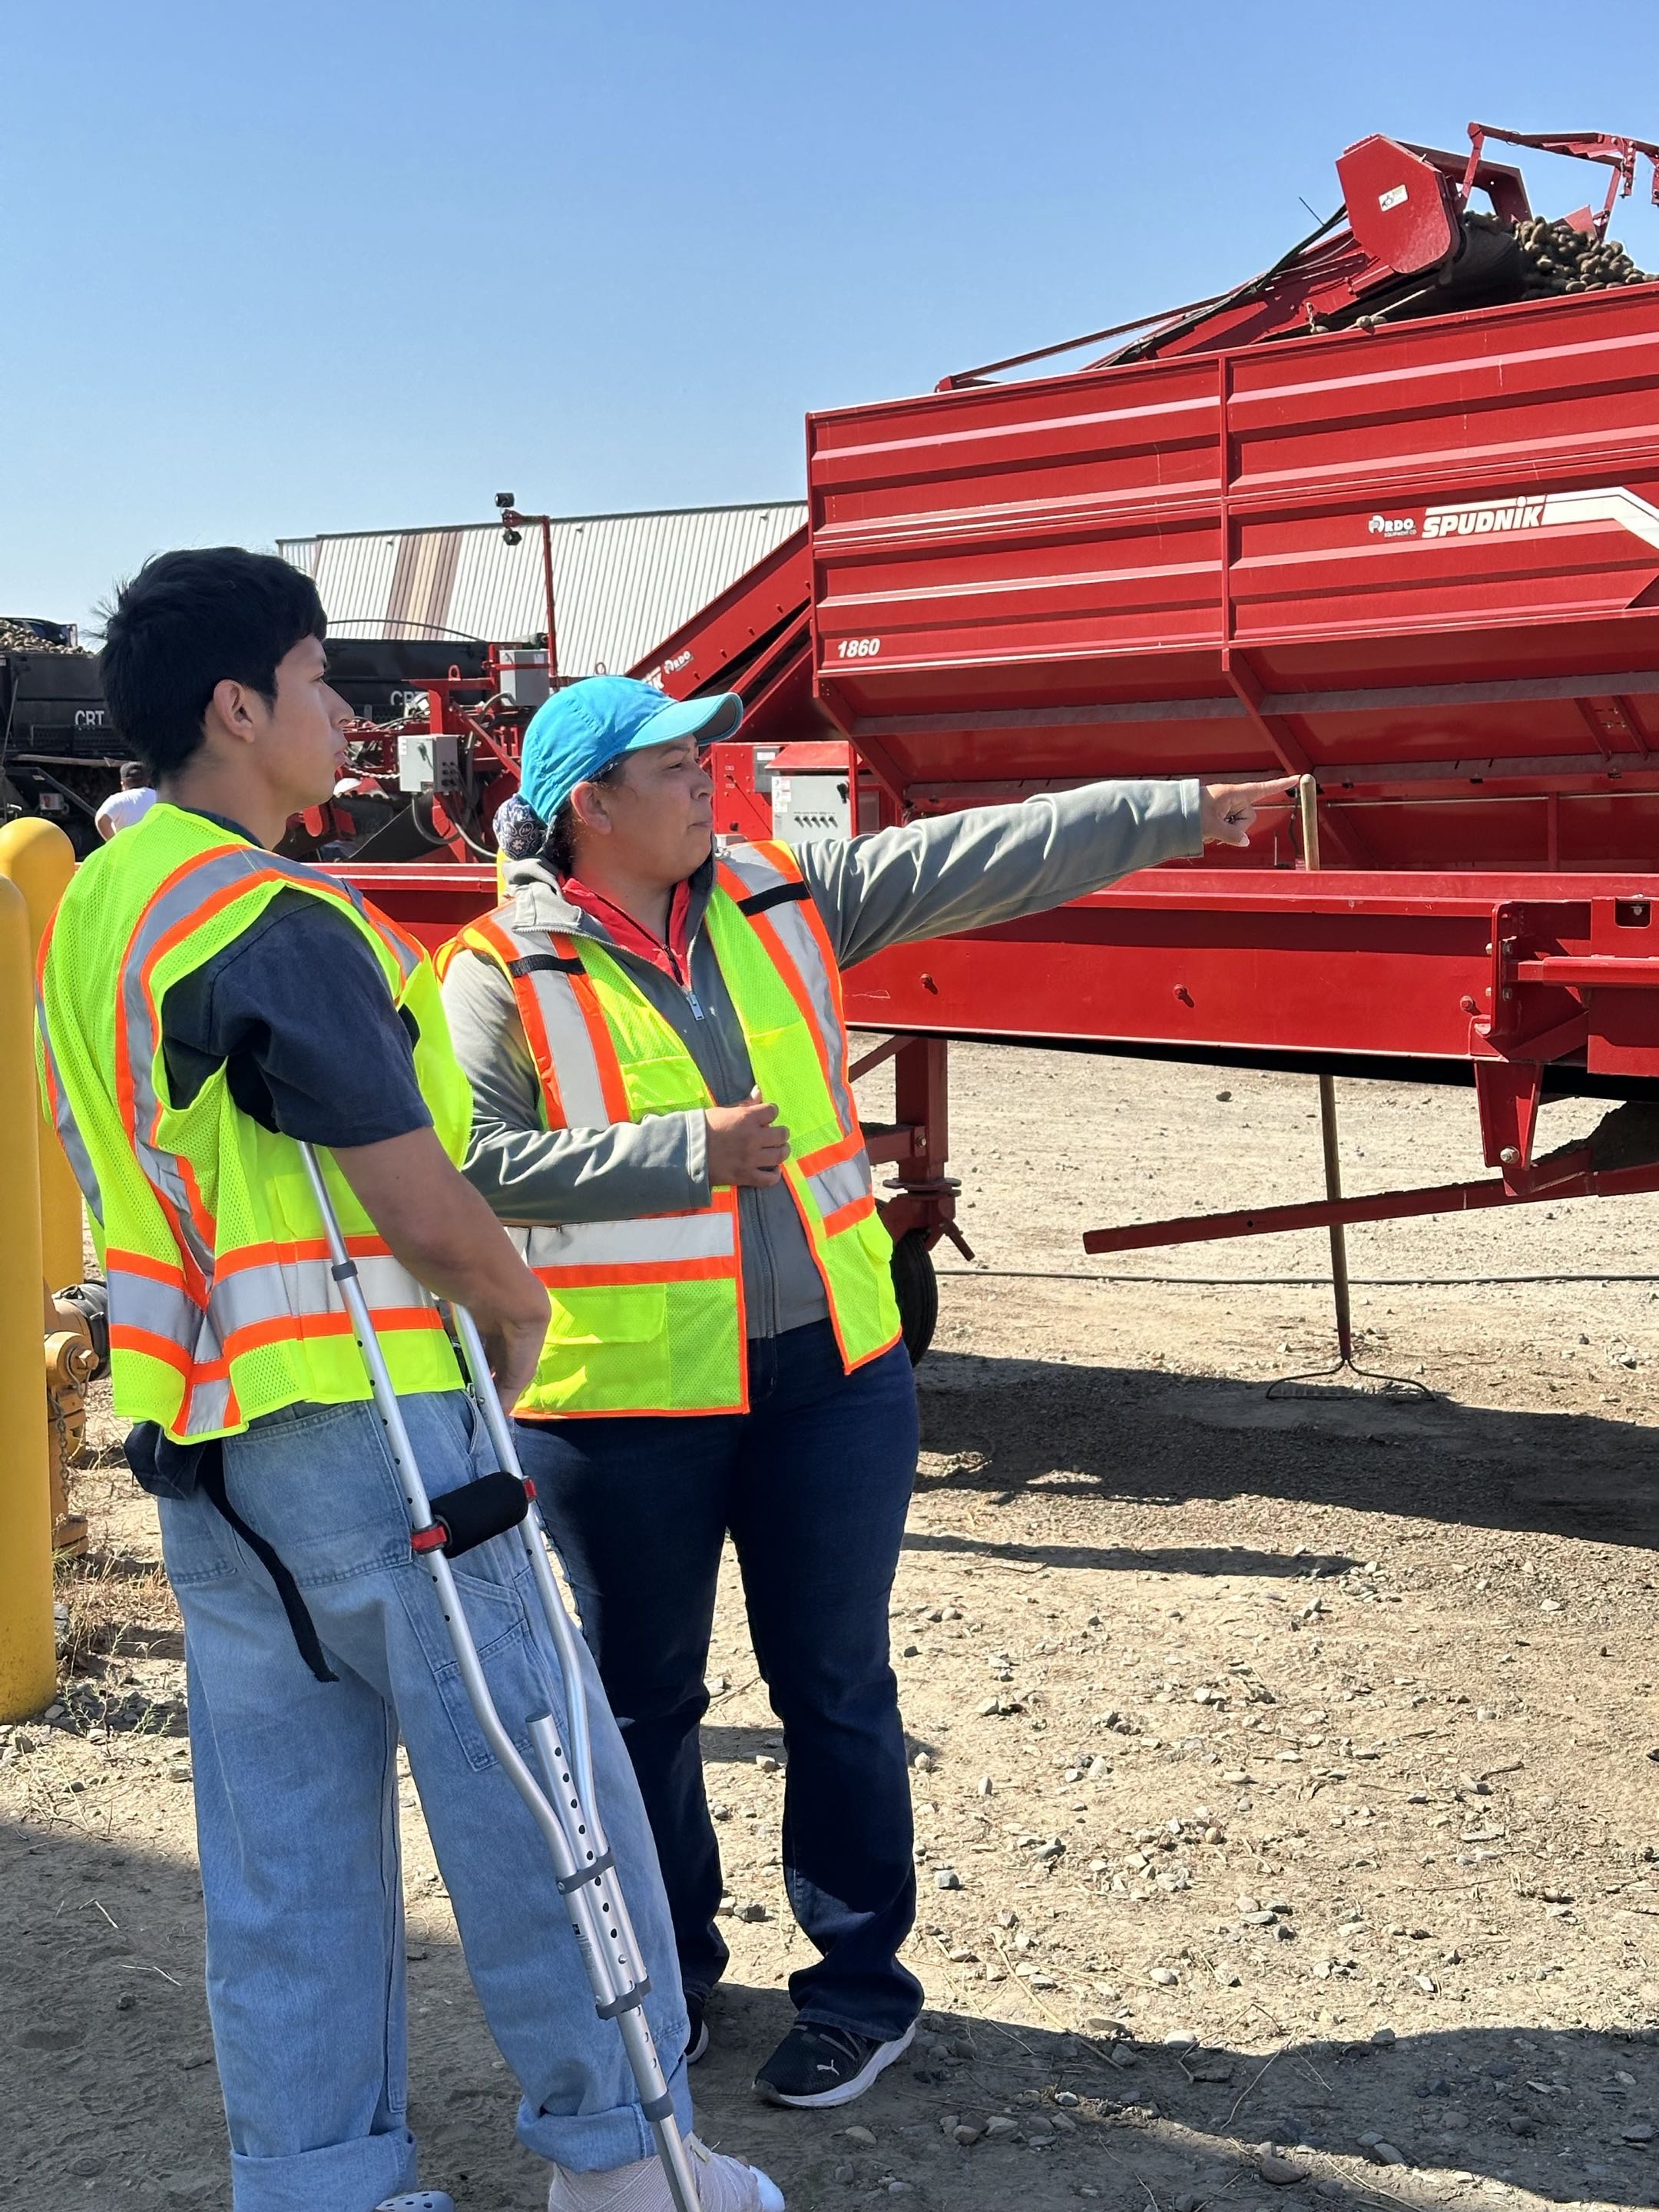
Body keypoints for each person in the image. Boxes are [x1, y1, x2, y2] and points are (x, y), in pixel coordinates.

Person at [37, 556, 783, 2212]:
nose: (345, 713)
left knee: (283, 1853)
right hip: (378, 1437)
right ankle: (632, 2162)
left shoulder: (102, 902)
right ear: (238, 709)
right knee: (541, 1797)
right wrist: (511, 1299)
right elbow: (412, 1192)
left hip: (207, 1449)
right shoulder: (272, 916)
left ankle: (320, 2187)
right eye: (315, 679)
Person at [440, 673, 1287, 2110]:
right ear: (591, 802)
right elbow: (464, 1167)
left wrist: (1169, 815)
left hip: (830, 1376)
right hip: (621, 1403)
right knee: (643, 1704)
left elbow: (979, 853)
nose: (709, 773)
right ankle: (673, 1972)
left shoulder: (784, 892)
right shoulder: (497, 967)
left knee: (834, 1687)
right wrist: (674, 1154)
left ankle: (857, 1993)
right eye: (675, 760)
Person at [94, 757, 157, 837]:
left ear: (123, 783)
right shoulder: (160, 796)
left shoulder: (117, 799)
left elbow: (101, 818)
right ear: (148, 781)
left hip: (130, 848)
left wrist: (113, 843)